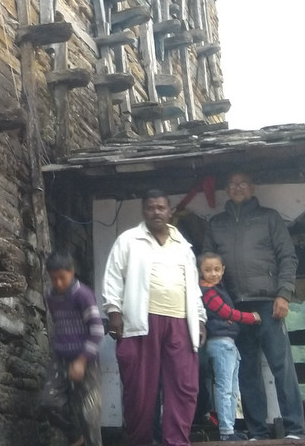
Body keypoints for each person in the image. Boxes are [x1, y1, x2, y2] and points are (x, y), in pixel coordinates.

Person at [203, 173, 305, 440]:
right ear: (226, 189)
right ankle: (256, 431)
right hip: (235, 309)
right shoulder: (216, 224)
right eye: (232, 184)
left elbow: (288, 257)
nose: (237, 187)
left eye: (242, 183)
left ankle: (295, 429)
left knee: (281, 367)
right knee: (246, 371)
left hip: (269, 303)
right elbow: (205, 270)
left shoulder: (270, 218)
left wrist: (284, 294)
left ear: (252, 187)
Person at [102, 190, 207, 446]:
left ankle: (176, 441)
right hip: (141, 322)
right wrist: (114, 311)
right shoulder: (129, 240)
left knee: (184, 386)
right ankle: (139, 441)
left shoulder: (183, 246)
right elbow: (114, 277)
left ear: (170, 211)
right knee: (139, 388)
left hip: (181, 323)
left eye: (161, 207)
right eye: (151, 208)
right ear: (144, 212)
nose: (156, 212)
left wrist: (201, 319)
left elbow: (193, 287)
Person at [41, 250, 104, 446]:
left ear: (72, 272)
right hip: (61, 358)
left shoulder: (83, 295)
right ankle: (76, 436)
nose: (58, 283)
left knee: (89, 413)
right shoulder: (50, 295)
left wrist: (81, 361)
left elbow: (97, 330)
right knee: (48, 402)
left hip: (86, 360)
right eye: (54, 278)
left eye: (62, 278)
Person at [199, 251, 262, 441]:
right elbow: (226, 312)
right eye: (208, 270)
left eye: (217, 269)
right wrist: (251, 318)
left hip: (228, 344)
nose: (214, 273)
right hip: (220, 344)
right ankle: (226, 432)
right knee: (225, 388)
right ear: (200, 272)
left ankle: (230, 427)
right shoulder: (208, 292)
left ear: (223, 270)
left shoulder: (217, 289)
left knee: (233, 389)